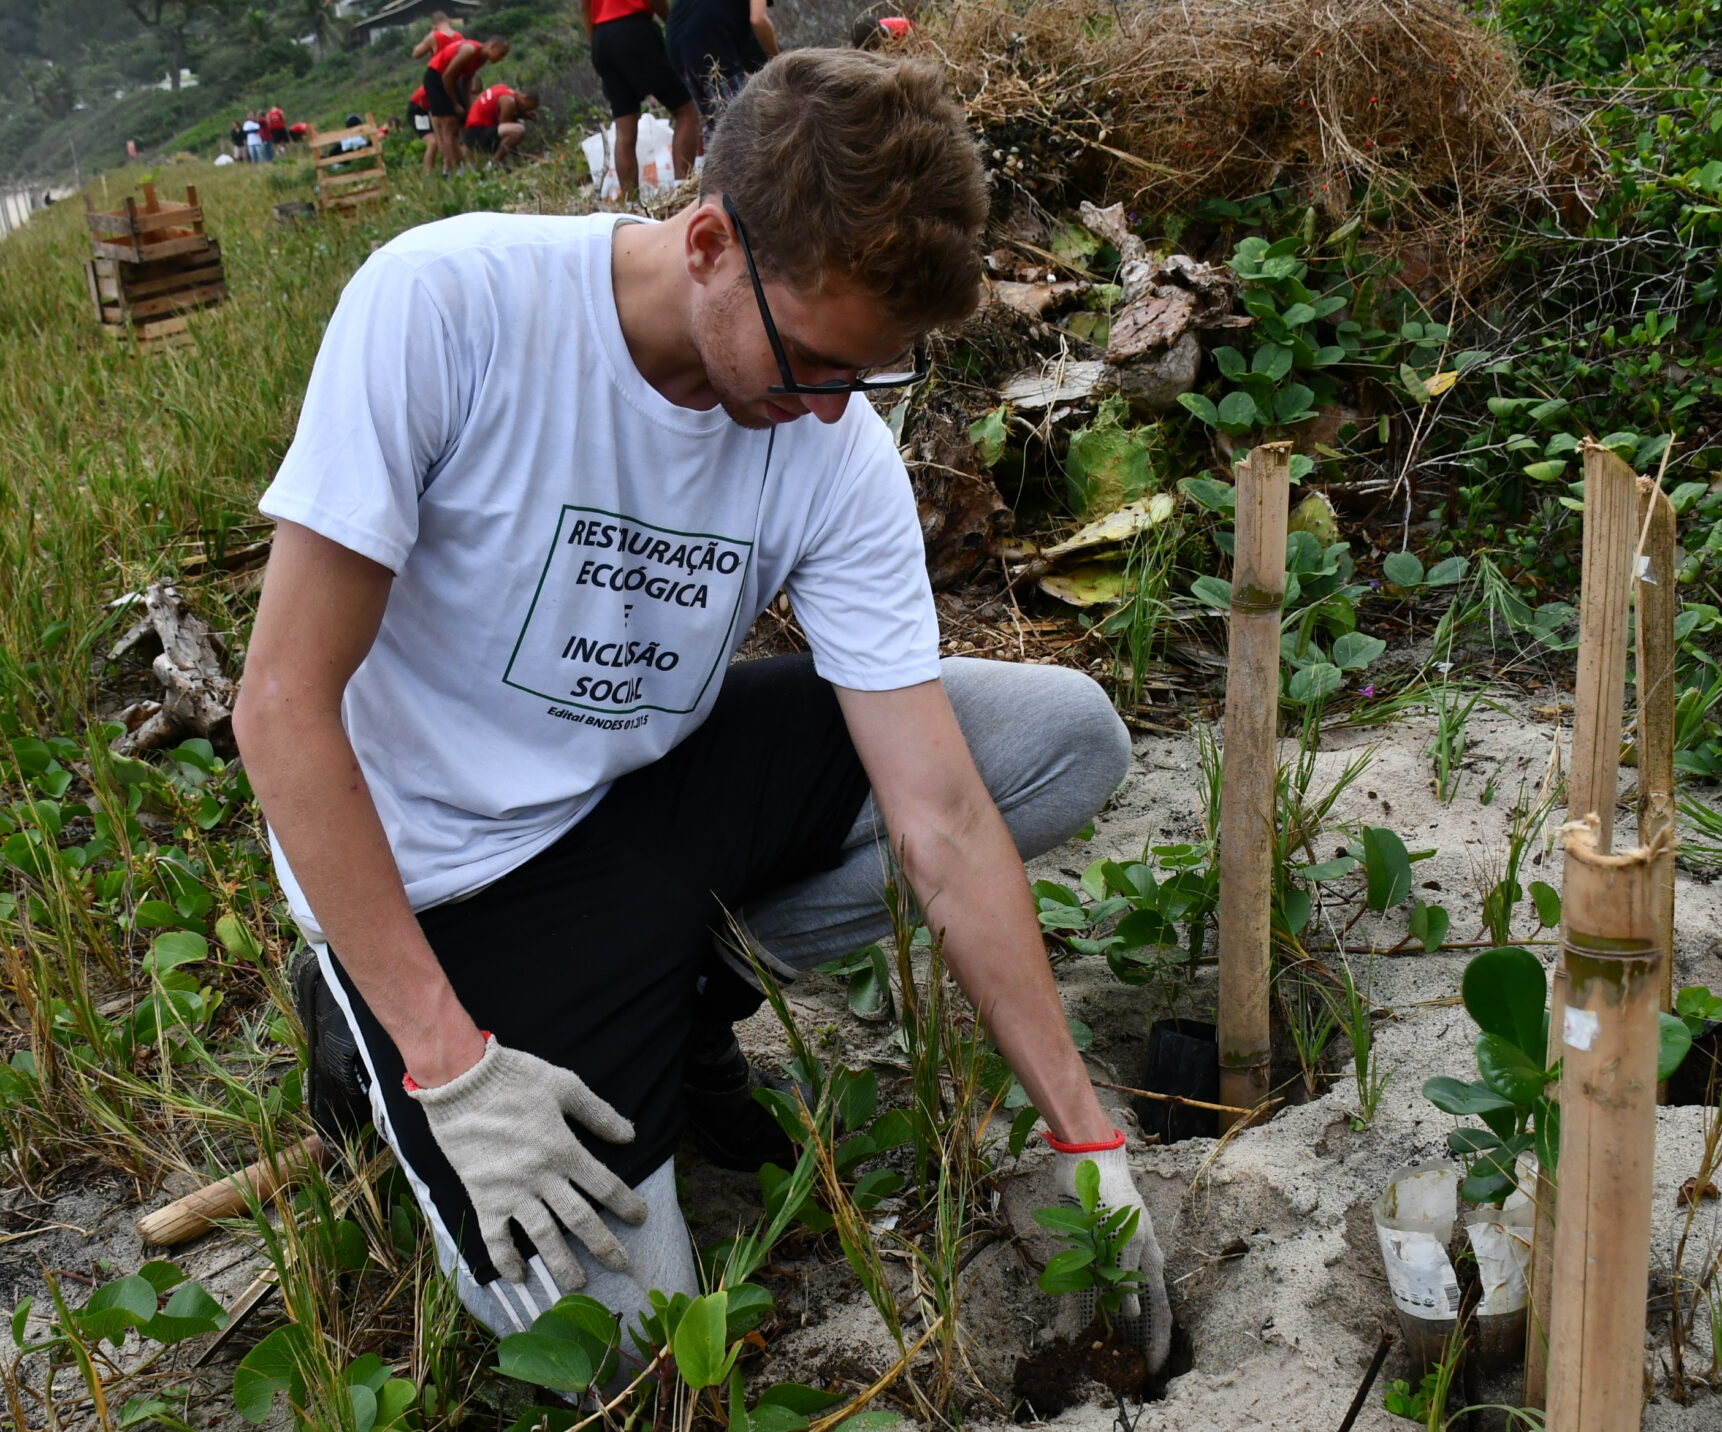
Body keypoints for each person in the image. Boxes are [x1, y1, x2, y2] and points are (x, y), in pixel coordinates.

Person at [237, 49, 1173, 1365]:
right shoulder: (449, 305)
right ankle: (365, 1013)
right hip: (456, 875)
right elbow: (280, 708)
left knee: (1057, 740)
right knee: (643, 1366)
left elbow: (944, 814)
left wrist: (1085, 1133)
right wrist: (451, 1060)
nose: (833, 410)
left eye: (875, 374)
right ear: (711, 239)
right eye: (814, 363)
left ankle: (686, 985)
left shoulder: (829, 431)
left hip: (655, 794)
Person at [584, 0, 698, 203]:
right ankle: (683, 192)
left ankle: (631, 204)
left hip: (602, 39)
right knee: (687, 111)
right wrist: (672, 24)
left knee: (624, 128)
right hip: (634, 30)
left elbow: (583, 7)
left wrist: (595, 45)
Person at [666, 0, 775, 128]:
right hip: (710, 44)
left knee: (714, 129)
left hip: (676, 46)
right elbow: (758, 20)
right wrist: (778, 59)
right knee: (743, 127)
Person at [423, 34, 509, 171]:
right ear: (492, 46)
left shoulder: (481, 59)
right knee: (449, 124)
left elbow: (466, 81)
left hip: (452, 80)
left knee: (462, 121)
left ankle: (469, 163)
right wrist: (454, 103)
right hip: (437, 77)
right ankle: (456, 169)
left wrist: (467, 106)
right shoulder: (469, 50)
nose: (501, 59)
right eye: (501, 54)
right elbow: (447, 76)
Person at [461, 84, 538, 165]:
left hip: (473, 131)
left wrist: (523, 115)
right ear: (526, 97)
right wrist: (519, 156)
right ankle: (493, 164)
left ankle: (503, 163)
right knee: (518, 130)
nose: (525, 109)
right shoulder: (509, 101)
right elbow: (507, 130)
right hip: (477, 134)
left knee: (515, 126)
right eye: (527, 107)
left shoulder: (503, 89)